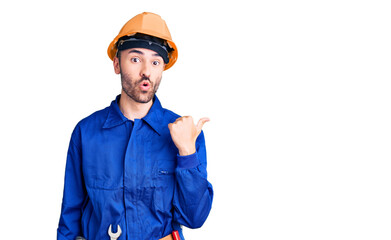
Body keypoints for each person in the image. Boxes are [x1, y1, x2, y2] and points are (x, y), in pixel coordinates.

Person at [57, 12, 214, 240]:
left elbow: (194, 218)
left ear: (162, 69)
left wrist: (187, 152)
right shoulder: (86, 133)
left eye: (155, 62)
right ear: (116, 64)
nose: (146, 71)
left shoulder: (187, 135)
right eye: (135, 59)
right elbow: (69, 217)